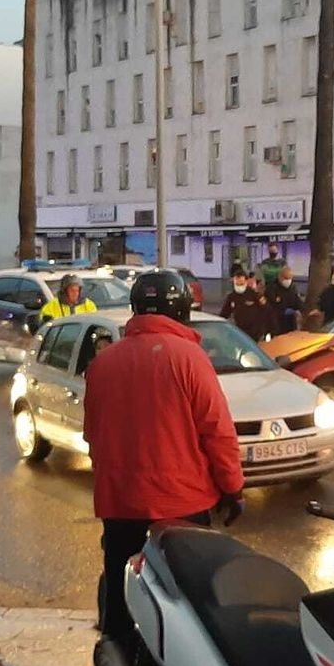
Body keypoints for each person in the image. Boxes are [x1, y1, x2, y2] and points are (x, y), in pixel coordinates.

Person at [83, 270, 245, 647]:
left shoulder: (103, 364)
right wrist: (233, 489)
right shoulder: (190, 358)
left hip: (120, 507)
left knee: (120, 604)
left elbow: (93, 436)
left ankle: (116, 652)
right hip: (182, 508)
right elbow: (218, 433)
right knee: (185, 611)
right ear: (183, 311)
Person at [219, 264, 271, 340]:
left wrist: (265, 330)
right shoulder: (231, 297)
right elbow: (224, 314)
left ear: (246, 282)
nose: (239, 286)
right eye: (237, 284)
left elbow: (267, 310)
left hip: (255, 333)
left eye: (241, 284)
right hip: (240, 333)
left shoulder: (254, 295)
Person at [264, 265, 304, 334]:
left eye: (290, 278)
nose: (288, 281)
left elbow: (297, 301)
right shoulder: (272, 288)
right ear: (280, 277)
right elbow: (271, 305)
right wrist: (283, 311)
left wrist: (301, 310)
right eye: (286, 278)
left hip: (290, 322)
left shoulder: (292, 288)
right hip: (277, 323)